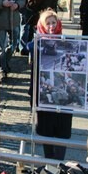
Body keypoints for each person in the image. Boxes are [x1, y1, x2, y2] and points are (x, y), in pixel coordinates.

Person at [28, 10, 73, 160]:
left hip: (63, 92)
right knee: (46, 130)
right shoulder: (34, 44)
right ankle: (49, 160)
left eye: (54, 23)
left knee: (63, 130)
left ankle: (59, 163)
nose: (51, 26)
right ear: (41, 25)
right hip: (44, 94)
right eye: (47, 23)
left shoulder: (67, 42)